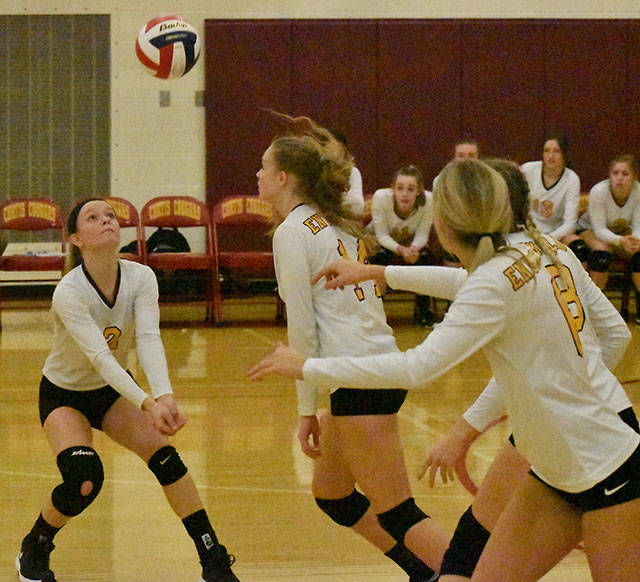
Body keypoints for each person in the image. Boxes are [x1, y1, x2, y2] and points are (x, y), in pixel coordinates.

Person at [249, 158, 640, 581]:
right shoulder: (543, 247)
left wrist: (307, 366)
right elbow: (613, 335)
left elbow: (418, 367)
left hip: (608, 471)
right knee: (461, 571)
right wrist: (380, 272)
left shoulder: (494, 280)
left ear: (448, 223)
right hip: (554, 471)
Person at [256, 114, 448, 581]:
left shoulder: (292, 232)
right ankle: (422, 572)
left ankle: (479, 575)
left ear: (283, 178)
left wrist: (305, 410)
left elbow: (302, 332)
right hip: (370, 366)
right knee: (334, 495)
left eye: (263, 168)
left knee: (400, 513)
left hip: (362, 377)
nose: (257, 177)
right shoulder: (332, 221)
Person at [16, 198, 239, 582]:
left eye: (110, 216)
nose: (106, 221)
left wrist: (164, 395)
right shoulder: (69, 292)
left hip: (113, 391)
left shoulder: (141, 277)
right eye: (93, 218)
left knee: (167, 460)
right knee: (84, 480)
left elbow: (150, 338)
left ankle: (214, 563)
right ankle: (34, 548)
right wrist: (147, 402)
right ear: (76, 238)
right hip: (65, 394)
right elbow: (101, 357)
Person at [369, 165, 438, 327]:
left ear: (419, 191)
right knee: (378, 260)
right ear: (392, 189)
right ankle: (375, 312)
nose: (405, 194)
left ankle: (423, 312)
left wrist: (413, 249)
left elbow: (422, 234)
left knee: (425, 261)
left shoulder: (428, 200)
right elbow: (382, 236)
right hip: (382, 243)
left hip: (410, 244)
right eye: (400, 188)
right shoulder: (381, 197)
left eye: (410, 189)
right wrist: (401, 250)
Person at [577, 153, 640, 322]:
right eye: (615, 173)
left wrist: (635, 241)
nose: (620, 178)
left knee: (639, 255)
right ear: (609, 176)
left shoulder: (638, 191)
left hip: (622, 234)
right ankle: (592, 308)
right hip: (590, 229)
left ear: (634, 177)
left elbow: (638, 226)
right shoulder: (599, 191)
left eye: (625, 174)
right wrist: (621, 241)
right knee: (602, 255)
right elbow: (599, 229)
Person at [521, 131, 589, 262]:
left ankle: (576, 282)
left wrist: (548, 239)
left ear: (564, 154)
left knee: (580, 249)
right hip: (529, 231)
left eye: (556, 151)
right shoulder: (528, 170)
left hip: (555, 233)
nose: (550, 156)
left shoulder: (572, 179)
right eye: (547, 151)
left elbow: (570, 223)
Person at [329, 128, 365, 219]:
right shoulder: (318, 172)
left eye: (332, 145)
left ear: (342, 148)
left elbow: (357, 206)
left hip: (345, 222)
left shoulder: (352, 172)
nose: (328, 150)